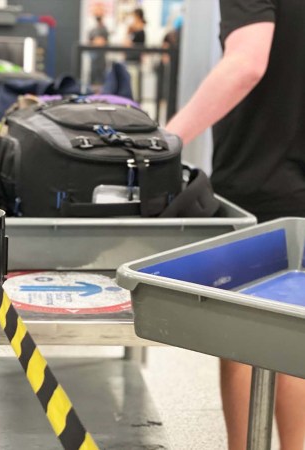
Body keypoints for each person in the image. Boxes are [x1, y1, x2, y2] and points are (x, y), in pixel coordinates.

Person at [166, 1, 305, 449]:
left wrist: (166, 142)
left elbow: (246, 61)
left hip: (263, 175)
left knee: (247, 333)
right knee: (297, 332)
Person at [88, 14, 109, 85]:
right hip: (94, 56)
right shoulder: (93, 30)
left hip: (101, 56)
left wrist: (99, 41)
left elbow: (104, 41)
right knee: (93, 74)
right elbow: (90, 41)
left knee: (102, 74)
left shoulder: (104, 30)